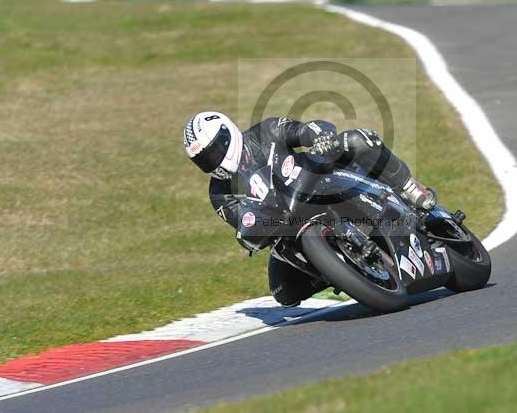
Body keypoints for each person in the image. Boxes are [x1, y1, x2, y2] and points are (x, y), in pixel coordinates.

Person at [182, 111, 436, 306]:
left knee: (357, 140)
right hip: (286, 228)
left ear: (228, 135)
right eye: (203, 159)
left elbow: (304, 130)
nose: (213, 160)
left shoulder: (266, 131)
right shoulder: (219, 193)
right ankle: (335, 270)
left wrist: (319, 137)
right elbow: (243, 223)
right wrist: (251, 233)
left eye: (214, 151)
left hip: (319, 182)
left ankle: (409, 188)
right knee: (284, 292)